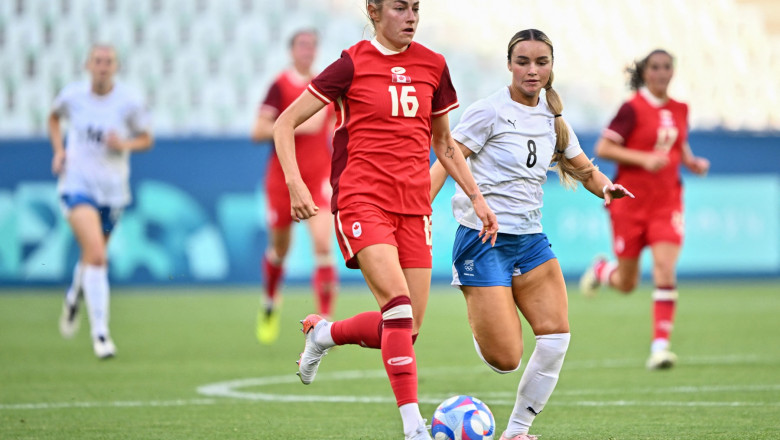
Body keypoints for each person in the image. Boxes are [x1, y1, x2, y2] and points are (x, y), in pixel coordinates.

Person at [272, 1, 498, 439]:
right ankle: (414, 427)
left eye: (415, 8)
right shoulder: (352, 63)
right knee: (396, 306)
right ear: (374, 12)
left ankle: (324, 334)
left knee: (406, 329)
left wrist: (477, 197)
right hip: (362, 200)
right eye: (400, 8)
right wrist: (296, 185)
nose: (411, 16)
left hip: (414, 208)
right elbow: (285, 124)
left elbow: (445, 144)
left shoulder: (434, 65)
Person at [430, 29, 634, 440]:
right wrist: (420, 208)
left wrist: (605, 187)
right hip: (481, 240)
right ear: (509, 64)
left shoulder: (553, 118)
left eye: (541, 62)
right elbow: (447, 156)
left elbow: (581, 166)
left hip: (530, 240)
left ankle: (516, 432)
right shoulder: (488, 111)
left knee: (557, 338)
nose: (532, 70)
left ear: (551, 67)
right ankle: (483, 318)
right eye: (523, 61)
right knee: (506, 359)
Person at [579, 49, 710, 370]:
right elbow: (603, 147)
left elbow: (677, 142)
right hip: (630, 204)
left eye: (667, 67)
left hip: (667, 203)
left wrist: (690, 161)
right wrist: (644, 159)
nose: (662, 73)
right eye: (655, 67)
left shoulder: (680, 108)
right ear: (645, 72)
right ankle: (601, 271)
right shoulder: (632, 108)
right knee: (626, 284)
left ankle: (660, 347)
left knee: (665, 268)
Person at [51, 44, 154, 359]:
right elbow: (53, 119)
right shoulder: (73, 96)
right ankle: (101, 335)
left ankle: (73, 297)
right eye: (98, 61)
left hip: (112, 191)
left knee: (93, 255)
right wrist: (59, 151)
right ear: (87, 65)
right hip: (77, 185)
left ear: (116, 67)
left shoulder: (128, 102)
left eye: (108, 61)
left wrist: (123, 143)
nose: (103, 66)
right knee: (97, 255)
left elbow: (147, 138)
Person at [250, 29, 338, 345]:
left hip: (317, 179)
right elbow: (258, 130)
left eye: (312, 45)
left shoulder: (324, 88)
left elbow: (333, 131)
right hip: (283, 179)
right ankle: (270, 303)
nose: (307, 50)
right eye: (301, 45)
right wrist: (296, 123)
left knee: (324, 246)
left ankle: (324, 326)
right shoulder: (280, 86)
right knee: (280, 250)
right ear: (291, 50)